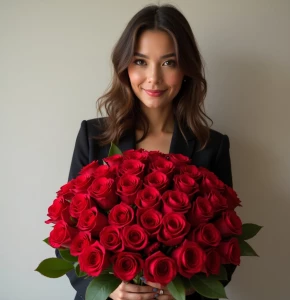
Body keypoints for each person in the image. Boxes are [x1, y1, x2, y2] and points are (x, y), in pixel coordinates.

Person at [60, 4, 236, 300]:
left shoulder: (211, 146)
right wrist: (109, 289)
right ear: (125, 65)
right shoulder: (94, 137)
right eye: (140, 61)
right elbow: (68, 237)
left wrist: (187, 289)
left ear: (186, 69)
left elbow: (227, 248)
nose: (153, 78)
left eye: (168, 63)